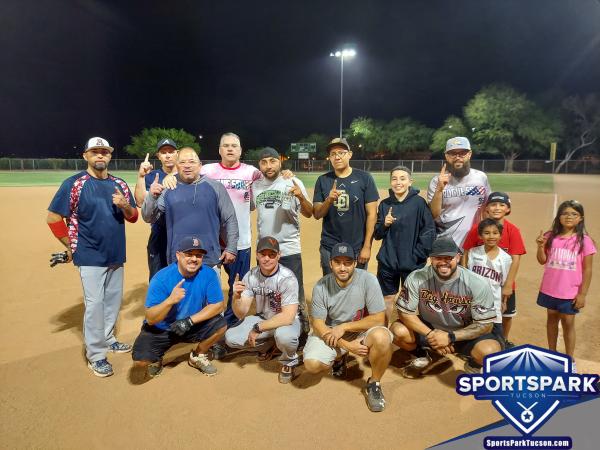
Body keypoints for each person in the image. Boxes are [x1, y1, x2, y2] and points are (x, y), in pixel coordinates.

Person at [46, 137, 138, 378]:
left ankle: (108, 338)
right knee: (95, 305)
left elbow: (133, 217)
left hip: (116, 253)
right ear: (85, 156)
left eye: (104, 152)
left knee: (112, 301)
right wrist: (72, 247)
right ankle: (96, 355)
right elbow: (53, 218)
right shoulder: (74, 184)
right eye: (95, 152)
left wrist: (125, 205)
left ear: (109, 156)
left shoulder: (119, 183)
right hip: (88, 255)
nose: (100, 156)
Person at [392, 237, 502, 378]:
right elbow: (405, 313)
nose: (443, 262)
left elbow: (486, 325)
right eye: (438, 258)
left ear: (457, 257)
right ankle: (423, 353)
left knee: (490, 352)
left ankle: (473, 362)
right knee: (397, 331)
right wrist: (431, 335)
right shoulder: (417, 278)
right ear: (431, 259)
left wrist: (450, 337)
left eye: (448, 257)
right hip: (431, 328)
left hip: (462, 332)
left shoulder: (476, 283)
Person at [303, 243, 393, 413]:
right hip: (332, 332)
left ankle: (374, 383)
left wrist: (346, 326)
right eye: (337, 262)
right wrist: (346, 346)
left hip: (359, 331)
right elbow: (318, 324)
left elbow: (379, 318)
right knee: (312, 365)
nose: (342, 268)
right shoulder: (321, 286)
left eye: (347, 262)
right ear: (330, 264)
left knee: (382, 337)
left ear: (355, 263)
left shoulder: (368, 280)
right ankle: (339, 357)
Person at [131, 236, 227, 379]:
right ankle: (156, 358)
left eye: (198, 255)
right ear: (178, 255)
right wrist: (169, 301)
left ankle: (198, 355)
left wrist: (189, 321)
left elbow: (218, 305)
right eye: (189, 254)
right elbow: (150, 319)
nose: (194, 259)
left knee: (220, 325)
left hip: (191, 324)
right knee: (141, 361)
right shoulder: (161, 278)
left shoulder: (208, 274)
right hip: (162, 329)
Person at [141, 147, 239, 271]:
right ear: (177, 166)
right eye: (182, 162)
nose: (187, 166)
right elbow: (148, 217)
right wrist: (152, 197)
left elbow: (230, 219)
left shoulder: (215, 187)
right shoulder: (168, 188)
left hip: (209, 259)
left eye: (192, 162)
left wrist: (231, 247)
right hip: (177, 260)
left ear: (200, 165)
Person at [252, 147, 312, 337]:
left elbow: (309, 212)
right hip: (265, 250)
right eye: (264, 162)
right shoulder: (255, 185)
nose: (268, 166)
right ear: (259, 165)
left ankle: (302, 330)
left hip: (289, 248)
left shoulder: (292, 181)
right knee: (268, 294)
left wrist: (300, 197)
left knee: (295, 292)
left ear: (280, 162)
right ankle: (270, 332)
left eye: (272, 161)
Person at [224, 237, 301, 384]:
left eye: (272, 255)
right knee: (231, 338)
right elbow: (240, 313)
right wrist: (236, 297)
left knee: (285, 337)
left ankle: (288, 362)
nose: (267, 259)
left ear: (279, 255)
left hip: (286, 323)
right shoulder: (251, 276)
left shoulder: (287, 278)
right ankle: (269, 344)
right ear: (257, 255)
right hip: (264, 319)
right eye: (263, 254)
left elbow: (288, 317)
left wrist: (258, 328)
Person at [462, 192, 526, 347]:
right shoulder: (477, 229)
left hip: (502, 282)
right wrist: (463, 276)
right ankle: (474, 341)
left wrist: (509, 284)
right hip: (479, 283)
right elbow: (466, 252)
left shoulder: (513, 230)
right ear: (487, 208)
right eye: (493, 204)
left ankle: (502, 340)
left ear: (508, 209)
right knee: (473, 312)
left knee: (505, 315)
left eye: (502, 205)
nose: (497, 208)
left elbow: (516, 257)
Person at [373, 165, 436, 323]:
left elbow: (428, 232)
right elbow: (378, 234)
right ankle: (386, 333)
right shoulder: (385, 204)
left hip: (412, 263)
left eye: (402, 178)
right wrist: (384, 224)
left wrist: (418, 256)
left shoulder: (419, 203)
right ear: (390, 182)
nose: (398, 182)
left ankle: (413, 335)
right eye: (394, 179)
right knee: (387, 298)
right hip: (388, 261)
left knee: (413, 300)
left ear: (410, 181)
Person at [535, 200, 596, 358]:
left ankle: (569, 359)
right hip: (550, 288)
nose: (569, 216)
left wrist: (582, 294)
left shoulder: (585, 240)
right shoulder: (550, 236)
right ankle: (552, 354)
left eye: (574, 214)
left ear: (580, 218)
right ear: (559, 216)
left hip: (570, 292)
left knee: (568, 323)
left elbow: (588, 269)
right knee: (551, 319)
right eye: (565, 213)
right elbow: (542, 260)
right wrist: (540, 246)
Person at [313, 138, 379, 275]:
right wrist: (329, 200)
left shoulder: (365, 178)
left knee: (357, 288)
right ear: (329, 158)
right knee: (330, 286)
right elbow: (317, 214)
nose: (337, 157)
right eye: (333, 154)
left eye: (341, 152)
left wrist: (367, 246)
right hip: (329, 245)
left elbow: (372, 215)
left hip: (357, 246)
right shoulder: (323, 180)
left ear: (350, 154)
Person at [427, 137, 491, 248]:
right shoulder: (437, 181)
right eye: (453, 154)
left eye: (462, 153)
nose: (458, 157)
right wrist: (439, 189)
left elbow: (487, 209)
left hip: (474, 243)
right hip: (446, 243)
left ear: (469, 154)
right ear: (446, 156)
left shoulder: (481, 178)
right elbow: (433, 214)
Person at [134, 138, 178, 280]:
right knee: (158, 278)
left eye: (171, 151)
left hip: (181, 233)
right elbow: (140, 202)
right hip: (159, 233)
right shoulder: (152, 176)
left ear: (177, 153)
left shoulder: (186, 174)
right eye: (163, 152)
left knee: (182, 278)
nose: (167, 155)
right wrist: (141, 176)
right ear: (158, 156)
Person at [464, 219, 512, 344]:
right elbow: (467, 276)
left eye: (495, 233)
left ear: (500, 236)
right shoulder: (473, 253)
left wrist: (504, 301)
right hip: (474, 302)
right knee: (474, 334)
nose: (491, 236)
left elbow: (504, 282)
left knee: (497, 339)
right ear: (480, 235)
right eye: (487, 233)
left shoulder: (505, 258)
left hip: (494, 305)